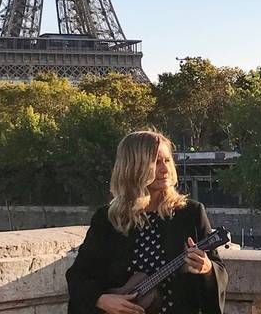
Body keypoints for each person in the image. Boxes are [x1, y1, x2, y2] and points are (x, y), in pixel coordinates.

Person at [66, 130, 228, 314]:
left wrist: (207, 269)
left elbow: (218, 270)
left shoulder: (191, 213)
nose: (165, 169)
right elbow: (78, 276)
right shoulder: (108, 219)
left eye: (167, 161)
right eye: (156, 162)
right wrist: (101, 300)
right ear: (134, 167)